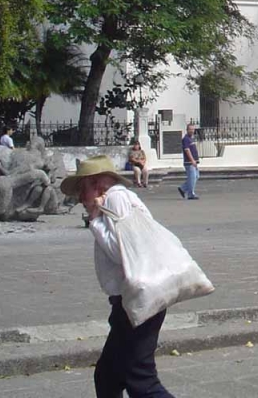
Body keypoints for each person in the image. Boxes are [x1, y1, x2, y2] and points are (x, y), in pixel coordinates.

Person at [61, 156, 176, 398]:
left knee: (140, 380)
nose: (80, 198)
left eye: (82, 189)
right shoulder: (114, 200)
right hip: (130, 299)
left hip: (139, 299)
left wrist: (95, 221)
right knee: (108, 375)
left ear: (96, 184)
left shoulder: (117, 198)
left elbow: (124, 251)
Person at [178, 123, 200, 200]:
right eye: (190, 129)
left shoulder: (191, 138)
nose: (192, 131)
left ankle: (183, 188)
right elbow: (187, 150)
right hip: (189, 162)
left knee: (196, 176)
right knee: (192, 178)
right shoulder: (186, 139)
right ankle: (191, 194)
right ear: (187, 130)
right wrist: (192, 160)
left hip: (194, 162)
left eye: (193, 129)